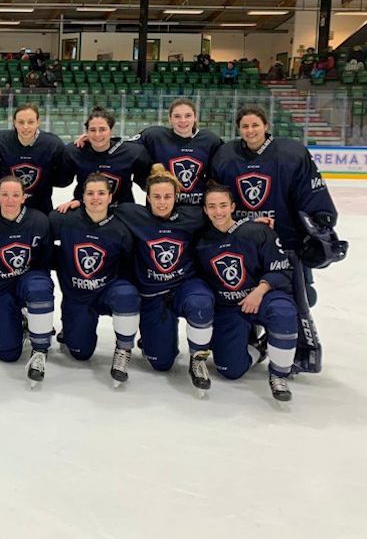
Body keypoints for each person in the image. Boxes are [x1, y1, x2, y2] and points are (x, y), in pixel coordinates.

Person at [210, 104, 343, 375]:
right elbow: (218, 200)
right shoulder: (226, 156)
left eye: (255, 125)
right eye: (245, 126)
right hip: (245, 244)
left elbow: (311, 192)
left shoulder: (291, 153)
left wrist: (321, 223)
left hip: (286, 243)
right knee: (243, 293)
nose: (250, 130)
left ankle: (300, 350)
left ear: (266, 126)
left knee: (296, 297)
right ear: (238, 129)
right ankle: (250, 340)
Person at [114, 166, 215, 395]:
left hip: (185, 287)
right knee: (161, 363)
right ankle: (151, 340)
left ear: (176, 197)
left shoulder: (193, 216)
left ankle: (198, 359)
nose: (162, 202)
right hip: (152, 295)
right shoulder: (132, 214)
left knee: (201, 304)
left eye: (168, 197)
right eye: (157, 197)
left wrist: (252, 223)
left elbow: (223, 217)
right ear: (148, 197)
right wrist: (77, 205)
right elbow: (97, 207)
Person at [195, 182, 299, 402]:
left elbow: (281, 269)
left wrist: (259, 291)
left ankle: (279, 375)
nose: (218, 211)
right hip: (230, 308)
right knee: (228, 369)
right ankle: (259, 348)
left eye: (223, 205)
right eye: (212, 206)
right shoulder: (202, 243)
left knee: (283, 311)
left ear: (233, 207)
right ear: (205, 210)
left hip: (262, 297)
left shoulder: (257, 231)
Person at [50, 173, 140, 388]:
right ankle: (70, 325)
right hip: (78, 297)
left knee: (127, 294)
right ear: (82, 197)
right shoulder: (64, 220)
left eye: (101, 193)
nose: (96, 198)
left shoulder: (122, 228)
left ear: (110, 197)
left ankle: (123, 349)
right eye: (90, 193)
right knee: (80, 353)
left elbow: (129, 266)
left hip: (107, 292)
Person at [0, 176, 54, 387]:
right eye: (5, 194)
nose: (10, 200)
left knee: (40, 287)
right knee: (7, 354)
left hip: (28, 280)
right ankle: (22, 323)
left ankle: (40, 350)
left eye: (16, 195)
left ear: (24, 197)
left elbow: (45, 259)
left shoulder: (39, 220)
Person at [116, 98, 222, 206]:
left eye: (188, 116)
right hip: (160, 207)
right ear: (170, 118)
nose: (183, 120)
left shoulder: (210, 140)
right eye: (177, 116)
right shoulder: (155, 136)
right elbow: (126, 150)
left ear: (195, 117)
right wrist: (144, 175)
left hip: (196, 209)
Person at [56, 106, 152, 210]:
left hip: (122, 212)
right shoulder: (75, 151)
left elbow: (146, 184)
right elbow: (62, 181)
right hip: (84, 208)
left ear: (111, 130)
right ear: (86, 132)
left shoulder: (132, 153)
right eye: (92, 130)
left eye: (102, 129)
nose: (97, 135)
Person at [0, 103, 66, 214]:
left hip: (40, 208)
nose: (25, 127)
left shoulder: (53, 144)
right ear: (14, 123)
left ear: (38, 122)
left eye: (30, 122)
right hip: (6, 206)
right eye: (21, 122)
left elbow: (61, 177)